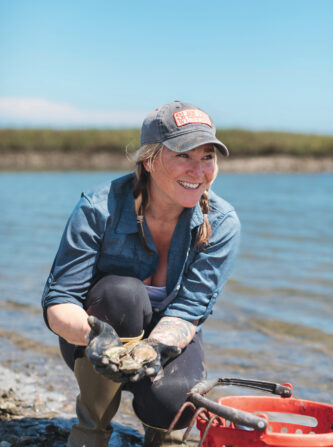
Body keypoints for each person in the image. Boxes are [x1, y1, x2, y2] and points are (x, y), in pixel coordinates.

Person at [42, 100, 240, 447]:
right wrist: (96, 338)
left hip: (167, 338)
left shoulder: (222, 223)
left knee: (178, 399)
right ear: (149, 160)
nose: (198, 171)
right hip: (93, 337)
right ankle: (90, 432)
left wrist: (153, 350)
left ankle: (162, 437)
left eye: (207, 157)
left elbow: (188, 311)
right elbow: (59, 303)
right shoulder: (97, 208)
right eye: (183, 155)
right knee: (123, 293)